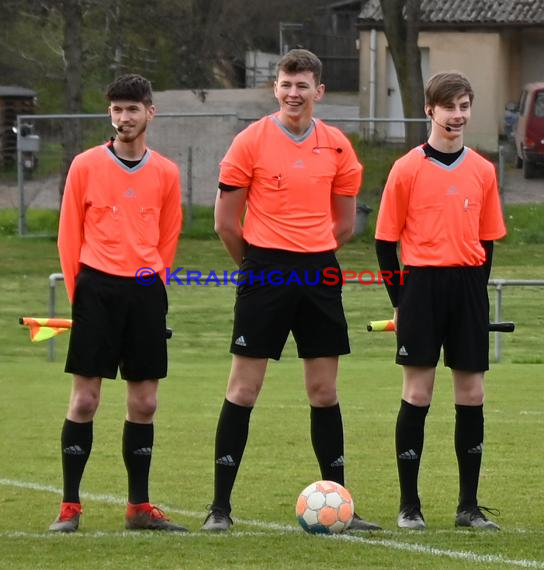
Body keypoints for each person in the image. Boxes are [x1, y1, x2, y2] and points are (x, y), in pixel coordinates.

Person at [201, 49, 381, 532]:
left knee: (324, 391)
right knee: (244, 388)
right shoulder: (249, 142)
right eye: (286, 84)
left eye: (303, 85)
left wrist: (310, 253)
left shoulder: (338, 146)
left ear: (319, 92)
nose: (294, 93)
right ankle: (220, 508)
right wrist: (259, 269)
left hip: (318, 273)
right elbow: (225, 223)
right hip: (264, 270)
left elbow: (344, 226)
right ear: (275, 89)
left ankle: (342, 506)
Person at [49, 74, 186, 532]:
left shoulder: (166, 171)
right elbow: (69, 236)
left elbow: (168, 237)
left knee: (145, 403)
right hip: (96, 290)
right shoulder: (85, 165)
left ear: (151, 112)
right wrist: (80, 297)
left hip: (145, 292)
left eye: (132, 109)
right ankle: (70, 507)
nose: (124, 118)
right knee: (85, 399)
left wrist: (153, 285)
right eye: (116, 110)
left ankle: (138, 508)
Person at [375, 71, 507, 530]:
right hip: (422, 290)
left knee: (472, 394)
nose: (457, 115)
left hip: (468, 289)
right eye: (448, 107)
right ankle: (409, 506)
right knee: (418, 393)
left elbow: (488, 242)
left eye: (464, 106)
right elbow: (384, 242)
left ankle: (468, 508)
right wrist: (400, 300)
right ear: (430, 110)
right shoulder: (407, 167)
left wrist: (477, 294)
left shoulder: (483, 170)